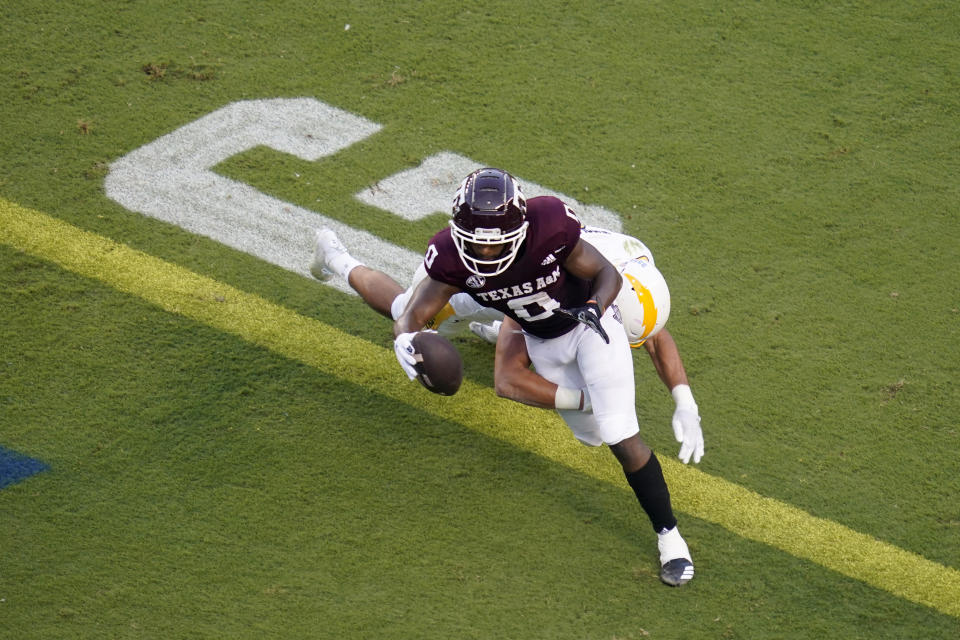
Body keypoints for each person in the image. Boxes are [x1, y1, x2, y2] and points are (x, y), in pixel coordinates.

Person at [313, 168, 702, 585]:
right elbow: (416, 319)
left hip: (579, 322)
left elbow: (614, 283)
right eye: (475, 242)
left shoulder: (558, 233)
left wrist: (682, 397)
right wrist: (404, 339)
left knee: (615, 431)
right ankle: (337, 258)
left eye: (495, 243)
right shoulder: (451, 258)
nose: (484, 253)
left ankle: (669, 536)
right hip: (515, 316)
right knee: (402, 306)